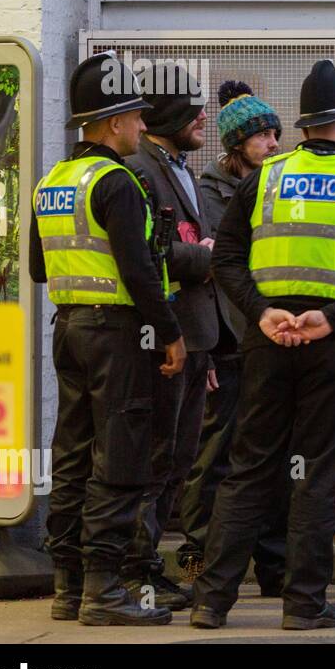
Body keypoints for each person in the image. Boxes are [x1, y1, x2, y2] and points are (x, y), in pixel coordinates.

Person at [190, 59, 335, 630]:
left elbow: (226, 258)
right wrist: (332, 319)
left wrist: (263, 314)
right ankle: (303, 604)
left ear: (304, 125)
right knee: (315, 474)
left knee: (248, 470)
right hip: (334, 349)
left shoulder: (262, 179)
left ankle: (211, 603)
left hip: (266, 345)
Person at [30, 52, 185, 626]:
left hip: (68, 329)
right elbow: (141, 274)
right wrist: (170, 334)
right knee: (119, 457)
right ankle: (105, 592)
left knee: (71, 454)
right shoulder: (118, 182)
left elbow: (38, 268)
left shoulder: (54, 180)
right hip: (119, 334)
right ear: (114, 121)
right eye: (137, 118)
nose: (144, 128)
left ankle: (68, 586)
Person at [176, 82, 288, 595]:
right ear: (236, 143)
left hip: (265, 339)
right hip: (223, 343)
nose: (272, 143)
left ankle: (274, 571)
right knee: (211, 460)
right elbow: (204, 271)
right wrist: (205, 346)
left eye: (275, 134)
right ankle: (197, 567)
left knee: (269, 455)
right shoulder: (206, 193)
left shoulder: (279, 186)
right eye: (262, 135)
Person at [121, 62, 222, 610]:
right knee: (156, 458)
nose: (204, 115)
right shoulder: (139, 169)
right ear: (166, 114)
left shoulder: (181, 166)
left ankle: (148, 567)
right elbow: (142, 253)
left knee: (178, 460)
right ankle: (137, 572)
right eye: (192, 107)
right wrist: (201, 258)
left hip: (193, 337)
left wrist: (205, 348)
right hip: (164, 339)